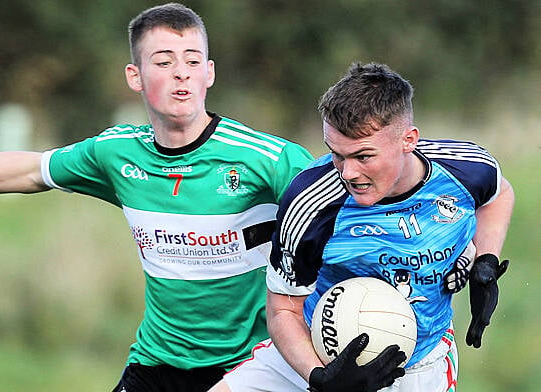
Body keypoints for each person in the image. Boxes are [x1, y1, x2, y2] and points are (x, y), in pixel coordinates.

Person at [0, 3, 315, 392]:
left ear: (210, 73)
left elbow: (343, 203)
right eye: (164, 61)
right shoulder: (115, 152)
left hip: (250, 363)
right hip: (156, 363)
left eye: (193, 60)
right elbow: (28, 169)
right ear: (135, 76)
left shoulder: (267, 158)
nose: (181, 73)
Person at [209, 62, 514, 392]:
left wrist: (485, 260)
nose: (347, 172)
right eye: (336, 154)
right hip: (313, 352)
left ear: (408, 140)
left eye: (363, 156)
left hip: (417, 367)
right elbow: (283, 308)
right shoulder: (310, 202)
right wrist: (320, 377)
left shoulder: (466, 168)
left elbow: (499, 194)